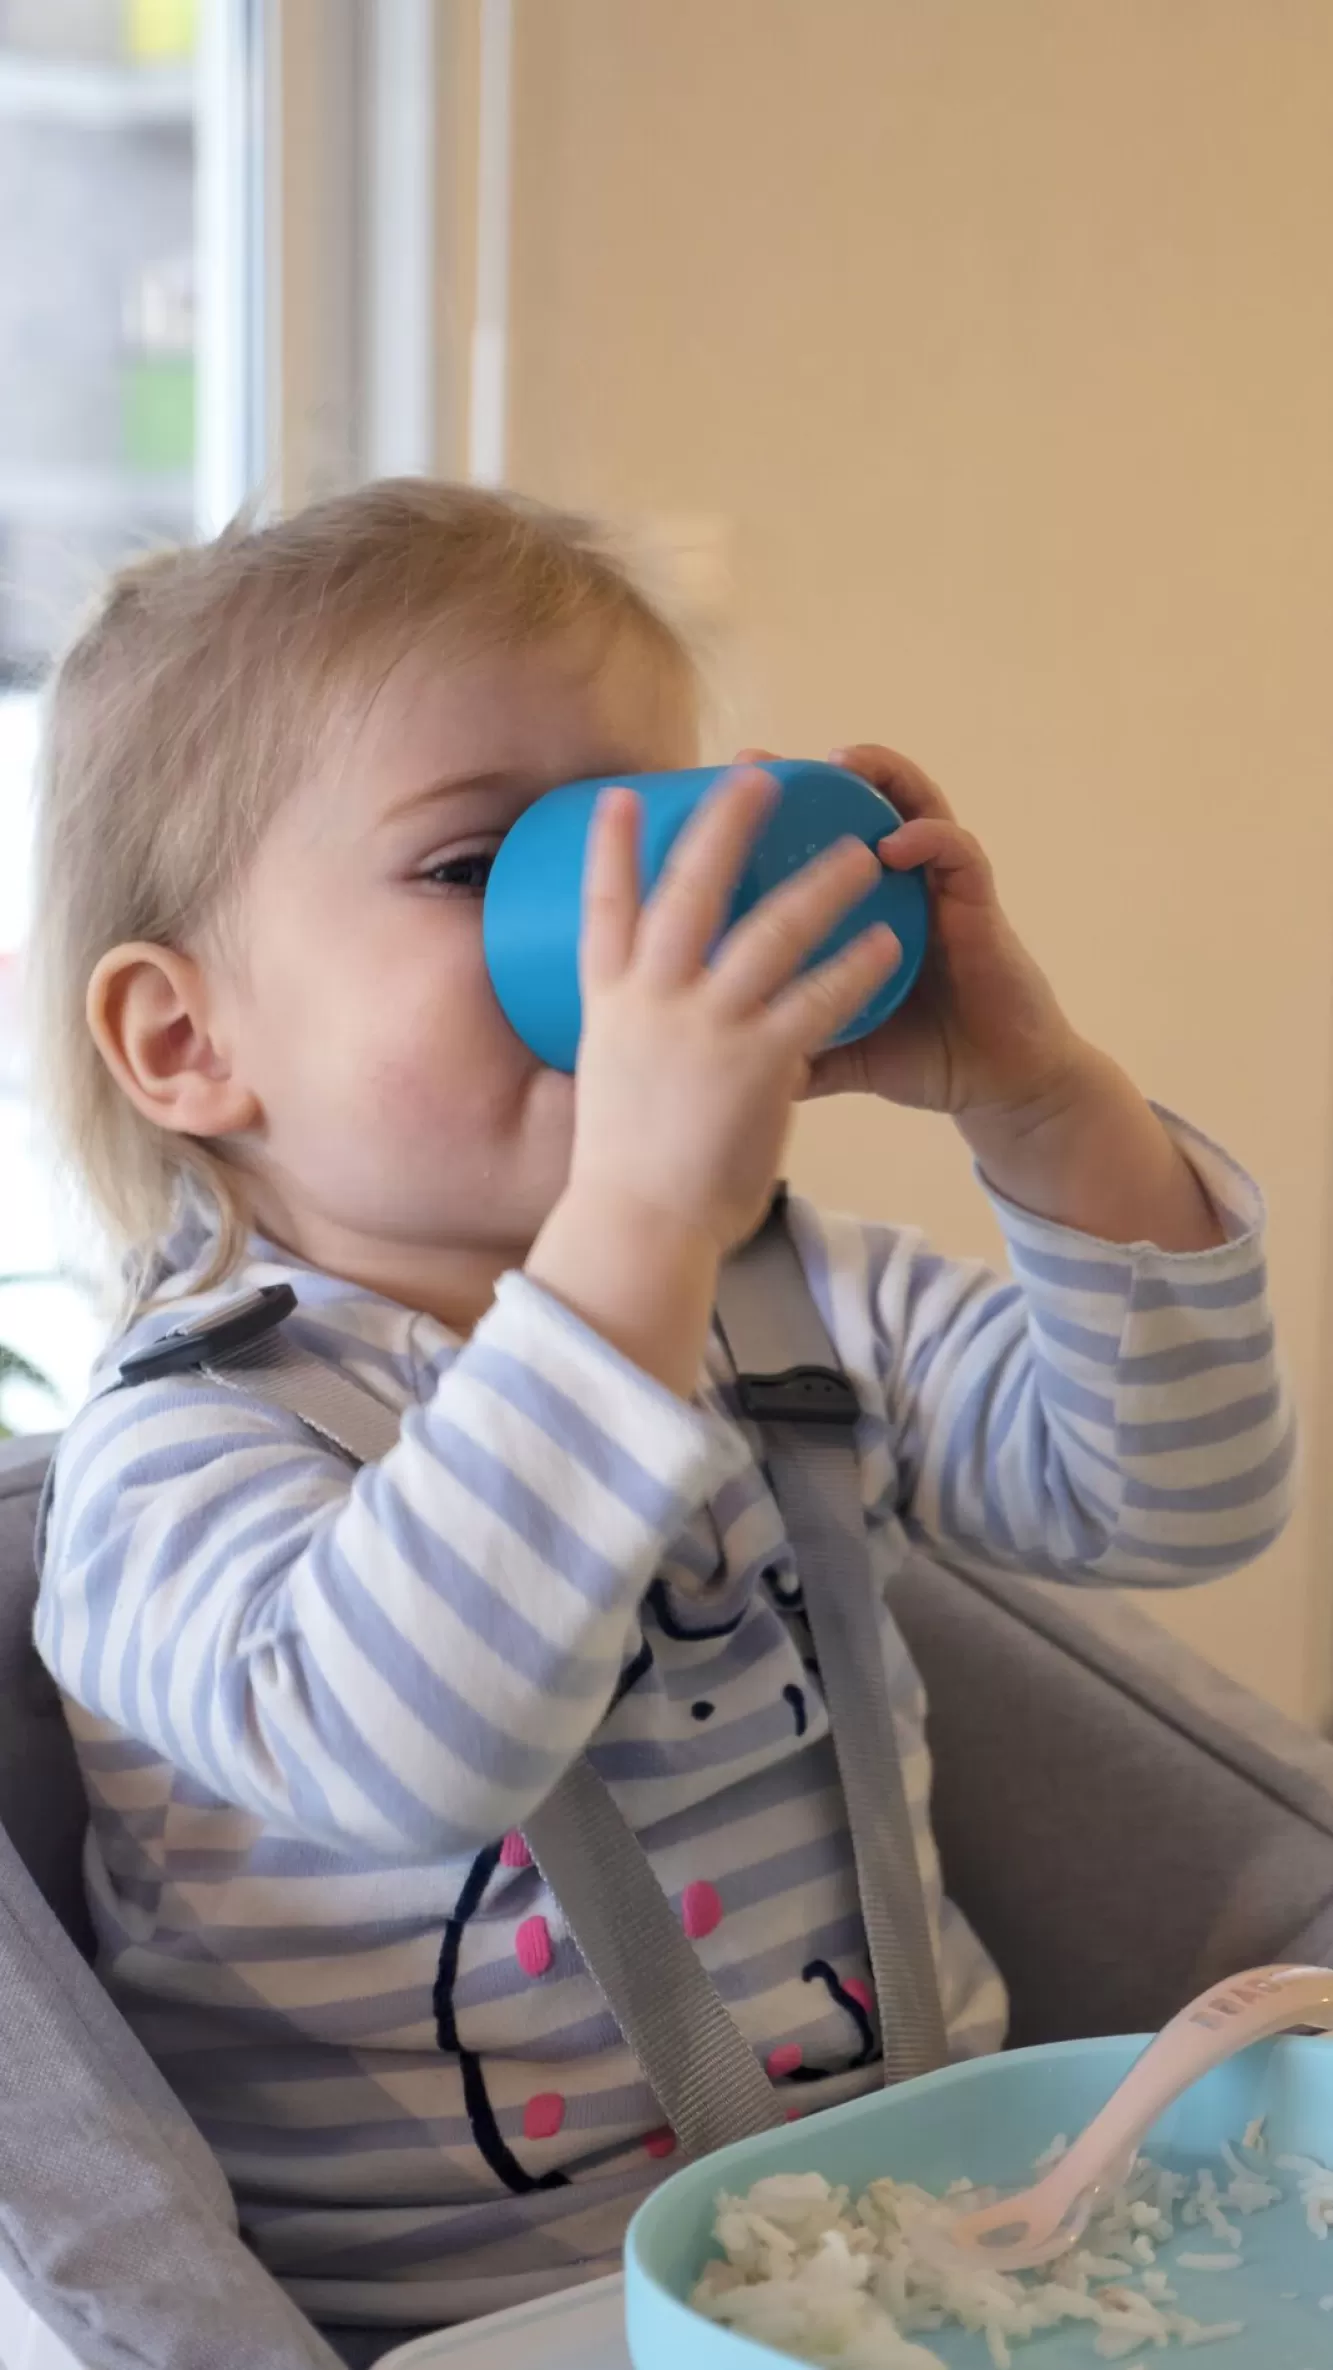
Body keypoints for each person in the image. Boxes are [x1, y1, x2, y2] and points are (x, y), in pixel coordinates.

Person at [29, 480, 1293, 2357]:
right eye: (486, 868)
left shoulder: (785, 1294)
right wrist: (636, 1227)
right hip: (497, 2322)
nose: (620, 938)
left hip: (949, 2244)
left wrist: (1034, 1099)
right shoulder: (176, 1447)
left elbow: (1172, 1496)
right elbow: (410, 1754)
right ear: (187, 1040)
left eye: (650, 844)